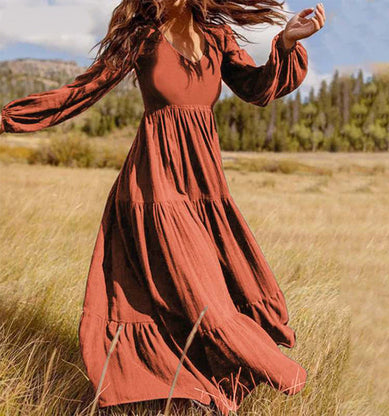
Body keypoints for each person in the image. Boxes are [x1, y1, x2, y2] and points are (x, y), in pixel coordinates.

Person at [0, 0, 325, 414]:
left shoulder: (217, 37)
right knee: (200, 293)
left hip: (203, 186)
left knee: (191, 292)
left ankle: (188, 391)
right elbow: (82, 90)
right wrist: (8, 118)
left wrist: (286, 43)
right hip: (152, 186)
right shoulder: (141, 37)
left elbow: (258, 89)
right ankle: (265, 372)